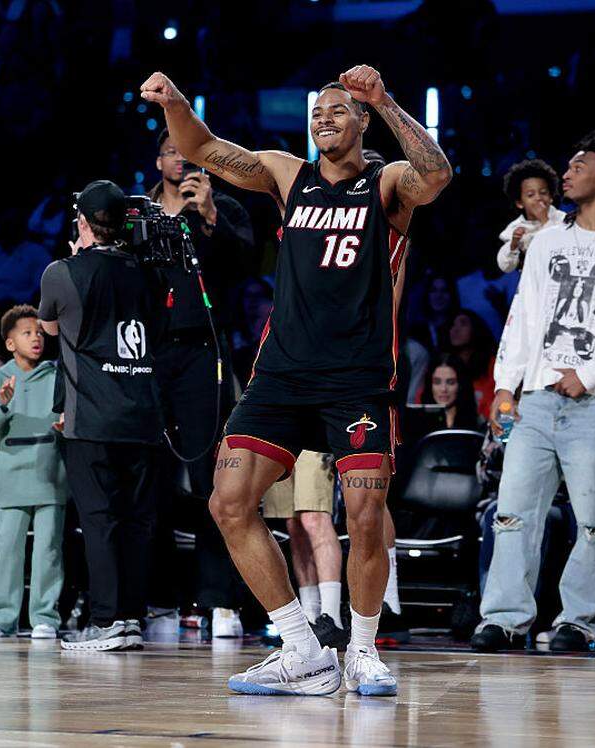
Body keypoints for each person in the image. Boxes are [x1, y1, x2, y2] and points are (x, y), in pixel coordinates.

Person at [142, 63, 451, 696]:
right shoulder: (290, 175)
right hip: (281, 373)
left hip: (358, 378)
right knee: (228, 502)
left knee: (364, 516)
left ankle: (360, 650)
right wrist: (174, 101)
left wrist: (386, 100)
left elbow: (437, 174)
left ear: (361, 122)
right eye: (318, 111)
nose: (325, 118)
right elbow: (202, 149)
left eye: (339, 110)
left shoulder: (384, 183)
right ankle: (302, 649)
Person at [471, 122, 595, 653]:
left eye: (580, 164)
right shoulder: (549, 239)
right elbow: (524, 317)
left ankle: (580, 621)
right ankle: (505, 618)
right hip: (534, 399)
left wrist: (590, 374)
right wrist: (505, 386)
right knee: (513, 512)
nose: (568, 172)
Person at [38, 180, 166, 652]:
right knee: (137, 522)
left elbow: (51, 327)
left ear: (84, 223)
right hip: (144, 414)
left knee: (99, 519)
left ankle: (107, 620)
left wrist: (77, 256)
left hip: (90, 416)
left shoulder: (62, 272)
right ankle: (131, 617)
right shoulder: (150, 271)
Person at [145, 129, 254, 639]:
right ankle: (159, 597)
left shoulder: (224, 207)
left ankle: (220, 601)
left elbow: (248, 266)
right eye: (169, 151)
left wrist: (209, 215)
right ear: (158, 160)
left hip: (204, 354)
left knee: (213, 481)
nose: (178, 161)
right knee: (152, 480)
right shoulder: (139, 213)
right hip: (147, 355)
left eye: (187, 154)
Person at [0, 307, 67, 640]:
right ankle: (2, 616)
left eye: (39, 332)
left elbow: (72, 417)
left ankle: (45, 616)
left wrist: (67, 424)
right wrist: (0, 403)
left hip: (50, 476)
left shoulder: (58, 376)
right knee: (8, 550)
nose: (36, 337)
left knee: (48, 550)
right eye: (27, 333)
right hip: (9, 478)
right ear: (10, 343)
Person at [261, 452, 345, 646]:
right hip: (280, 436)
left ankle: (332, 619)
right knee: (293, 524)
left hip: (313, 438)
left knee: (314, 517)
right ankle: (310, 617)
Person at [496, 159, 566, 273]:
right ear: (520, 203)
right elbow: (506, 267)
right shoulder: (515, 227)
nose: (538, 198)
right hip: (530, 286)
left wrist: (544, 220)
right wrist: (514, 244)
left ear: (551, 197)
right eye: (530, 195)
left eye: (543, 192)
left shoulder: (563, 219)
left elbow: (559, 248)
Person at [437, 309, 497, 418]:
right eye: (452, 325)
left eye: (463, 324)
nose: (455, 330)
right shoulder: (440, 364)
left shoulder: (492, 365)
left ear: (476, 329)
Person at [417, 354, 485, 435]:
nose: (443, 389)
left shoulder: (478, 422)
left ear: (461, 385)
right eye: (437, 382)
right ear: (430, 385)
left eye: (451, 383)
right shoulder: (416, 422)